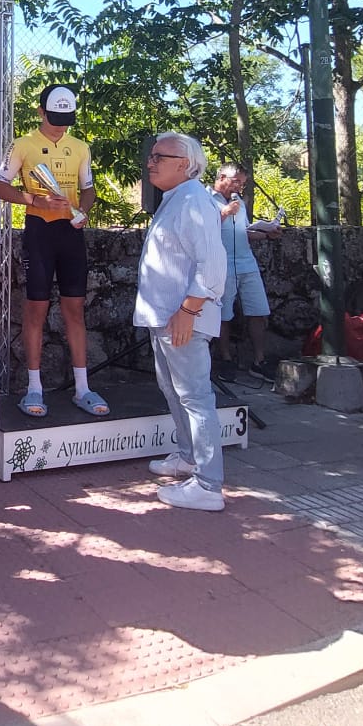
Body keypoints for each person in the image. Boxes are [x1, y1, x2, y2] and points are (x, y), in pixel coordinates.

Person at [0, 84, 103, 418]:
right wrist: (34, 200)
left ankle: (83, 388)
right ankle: (34, 389)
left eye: (66, 119)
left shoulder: (80, 147)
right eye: (55, 118)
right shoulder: (23, 145)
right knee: (36, 308)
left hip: (70, 232)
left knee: (75, 307)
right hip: (39, 231)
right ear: (41, 112)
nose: (60, 125)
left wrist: (83, 210)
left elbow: (88, 189)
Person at [135, 132, 228, 512]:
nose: (150, 162)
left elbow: (213, 265)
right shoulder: (177, 200)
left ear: (185, 164)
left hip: (183, 318)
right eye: (152, 155)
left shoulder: (194, 201)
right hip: (167, 316)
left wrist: (188, 311)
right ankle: (189, 458)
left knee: (195, 396)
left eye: (160, 156)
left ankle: (208, 484)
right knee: (175, 392)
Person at [210, 163, 279, 380]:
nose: (239, 187)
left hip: (247, 262)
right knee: (224, 314)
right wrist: (223, 214)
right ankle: (226, 358)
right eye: (236, 181)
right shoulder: (203, 199)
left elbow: (243, 231)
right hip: (222, 264)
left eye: (243, 183)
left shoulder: (237, 201)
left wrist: (268, 233)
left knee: (258, 311)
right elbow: (200, 230)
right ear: (222, 177)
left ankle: (259, 361)